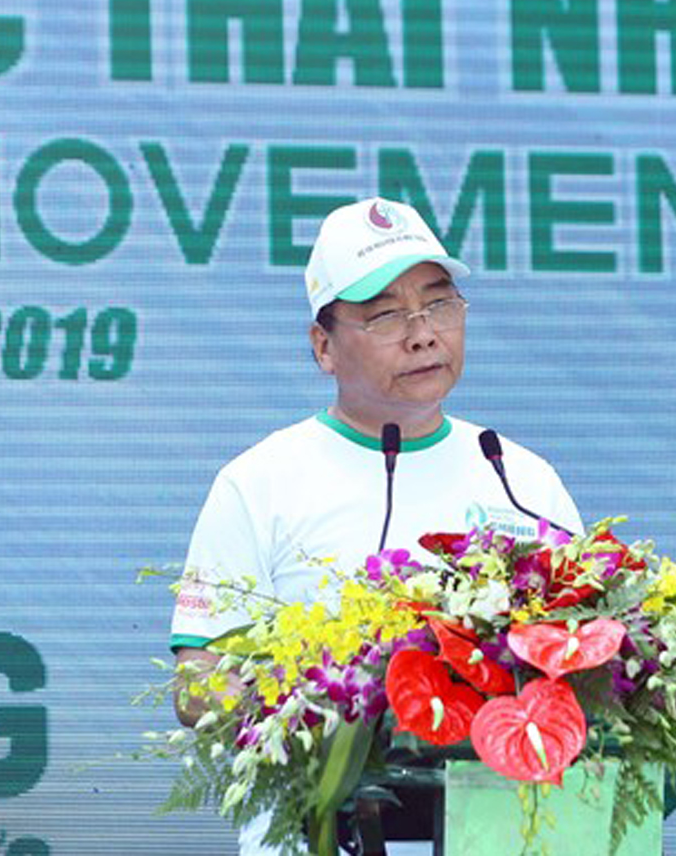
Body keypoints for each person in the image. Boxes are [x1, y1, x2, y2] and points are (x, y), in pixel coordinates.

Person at [168, 197, 583, 855]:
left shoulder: (522, 480)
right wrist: (309, 691)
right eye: (386, 314)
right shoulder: (259, 482)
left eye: (439, 304)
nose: (422, 333)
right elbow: (197, 684)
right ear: (323, 346)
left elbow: (585, 670)